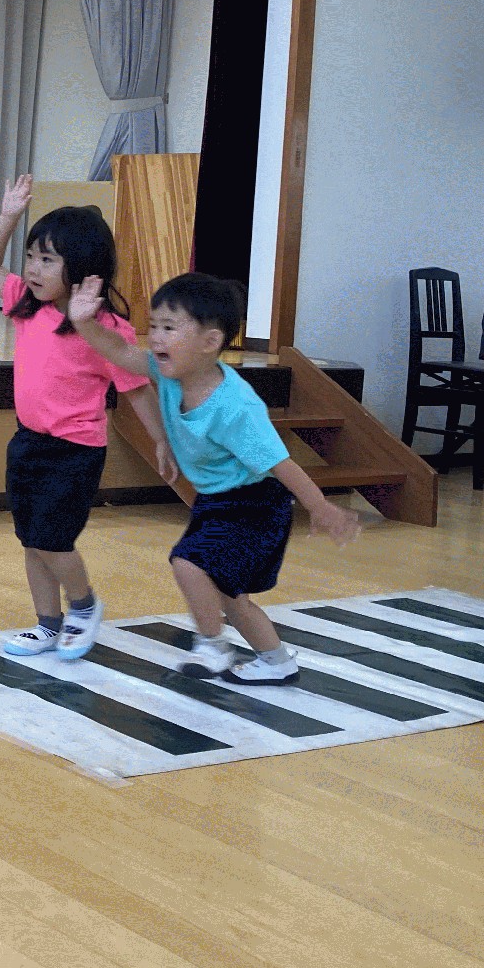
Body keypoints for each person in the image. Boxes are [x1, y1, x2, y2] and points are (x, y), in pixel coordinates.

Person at [66, 271, 361, 683]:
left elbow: (282, 464)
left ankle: (211, 645)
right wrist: (83, 322)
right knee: (228, 595)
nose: (156, 337)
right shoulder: (169, 375)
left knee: (189, 563)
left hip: (255, 505)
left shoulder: (235, 407)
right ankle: (276, 661)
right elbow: (118, 351)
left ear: (210, 342)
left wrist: (320, 508)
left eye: (170, 328)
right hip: (217, 501)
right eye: (154, 326)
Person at [0, 177, 167, 661]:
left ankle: (83, 606)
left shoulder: (105, 329)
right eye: (31, 256)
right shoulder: (25, 305)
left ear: (81, 268)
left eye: (47, 260)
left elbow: (137, 389)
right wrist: (8, 216)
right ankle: (47, 623)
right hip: (27, 443)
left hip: (75, 451)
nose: (33, 268)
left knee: (53, 538)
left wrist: (162, 441)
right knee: (32, 540)